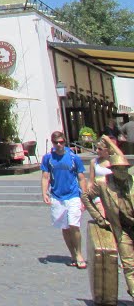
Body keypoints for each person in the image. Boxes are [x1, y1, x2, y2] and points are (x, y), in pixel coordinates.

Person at [82, 137, 134, 301]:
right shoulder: (103, 184)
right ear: (113, 170)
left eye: (125, 169)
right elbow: (85, 197)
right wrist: (99, 217)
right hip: (122, 228)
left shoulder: (132, 182)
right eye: (119, 169)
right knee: (129, 265)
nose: (123, 173)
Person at [41, 129, 88, 268]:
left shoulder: (74, 157)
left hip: (73, 195)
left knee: (74, 225)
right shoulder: (48, 158)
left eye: (61, 142)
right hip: (57, 196)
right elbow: (45, 176)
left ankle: (79, 253)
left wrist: (84, 197)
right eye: (56, 142)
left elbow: (81, 177)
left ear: (64, 142)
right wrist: (44, 192)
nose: (59, 145)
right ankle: (72, 255)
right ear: (53, 142)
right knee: (65, 228)